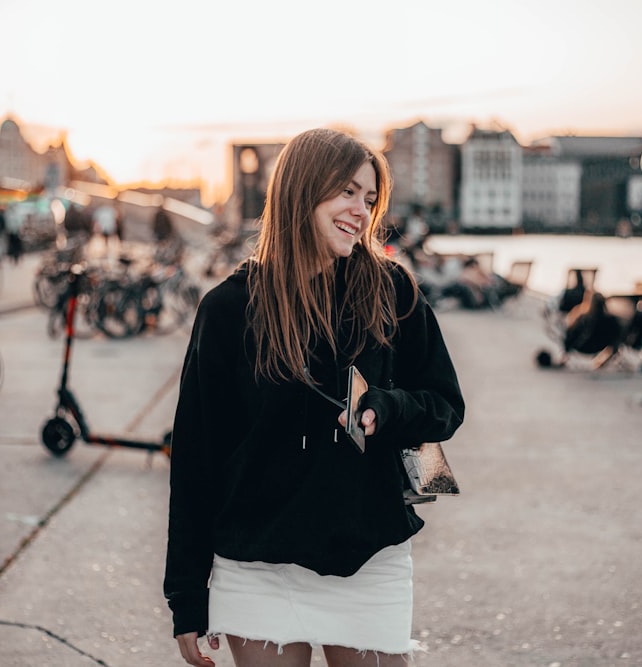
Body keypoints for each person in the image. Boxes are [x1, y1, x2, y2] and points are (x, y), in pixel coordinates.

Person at [163, 128, 465, 667]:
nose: (361, 210)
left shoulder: (392, 292)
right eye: (347, 192)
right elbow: (195, 459)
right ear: (303, 191)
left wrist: (388, 406)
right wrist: (186, 598)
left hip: (369, 554)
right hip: (257, 563)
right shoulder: (229, 310)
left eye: (370, 198)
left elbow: (445, 403)